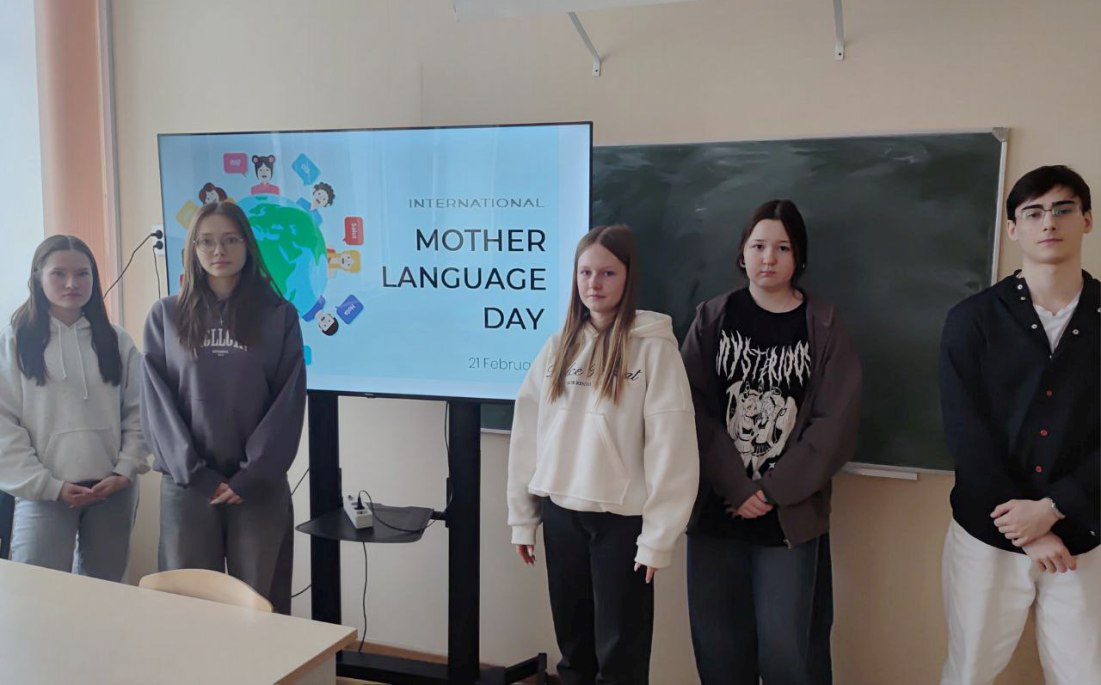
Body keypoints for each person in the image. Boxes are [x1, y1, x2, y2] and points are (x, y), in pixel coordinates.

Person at [507, 224, 699, 685]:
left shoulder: (654, 349)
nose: (594, 284)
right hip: (561, 515)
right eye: (585, 272)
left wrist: (658, 538)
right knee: (573, 649)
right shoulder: (557, 347)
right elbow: (527, 434)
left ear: (628, 277)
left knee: (620, 652)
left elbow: (671, 446)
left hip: (621, 523)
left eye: (607, 273)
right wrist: (523, 518)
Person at [680, 199, 862, 685]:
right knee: (719, 648)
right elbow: (688, 408)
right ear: (742, 252)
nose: (769, 258)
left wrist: (770, 491)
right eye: (758, 246)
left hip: (789, 516)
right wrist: (737, 487)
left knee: (789, 652)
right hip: (716, 511)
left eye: (783, 248)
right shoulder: (712, 317)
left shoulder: (823, 324)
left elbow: (835, 423)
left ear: (798, 257)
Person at [939, 165, 1099, 685]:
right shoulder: (972, 319)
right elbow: (966, 433)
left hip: (1084, 532)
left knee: (1085, 675)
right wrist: (1024, 528)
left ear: (1087, 220)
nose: (1048, 222)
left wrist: (1053, 509)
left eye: (1063, 209)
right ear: (1013, 228)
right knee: (969, 672)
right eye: (1033, 212)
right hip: (987, 532)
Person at [141, 200, 306, 613]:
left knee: (260, 605)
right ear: (193, 249)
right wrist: (195, 474)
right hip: (188, 485)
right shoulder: (165, 316)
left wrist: (252, 475)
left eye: (231, 240)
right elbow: (157, 403)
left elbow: (287, 401)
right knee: (188, 607)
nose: (219, 251)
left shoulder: (279, 315)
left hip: (257, 487)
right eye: (207, 241)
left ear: (247, 245)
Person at [0, 235, 148, 580]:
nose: (72, 283)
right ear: (38, 277)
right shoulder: (14, 341)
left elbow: (140, 411)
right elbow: (4, 423)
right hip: (44, 494)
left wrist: (125, 469)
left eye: (82, 274)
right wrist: (47, 486)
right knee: (40, 593)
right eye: (59, 273)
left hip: (112, 491)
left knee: (106, 593)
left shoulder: (116, 339)